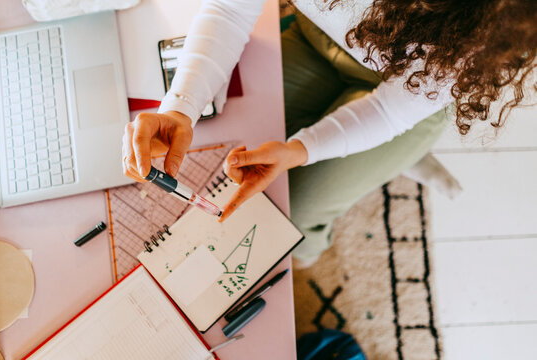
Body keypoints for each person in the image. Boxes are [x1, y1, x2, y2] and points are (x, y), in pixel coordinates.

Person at [122, 0, 536, 265]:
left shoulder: (497, 16)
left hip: (408, 97)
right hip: (319, 43)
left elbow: (390, 111)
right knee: (233, 137)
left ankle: (407, 151)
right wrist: (180, 107)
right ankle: (394, 154)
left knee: (294, 220)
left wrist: (301, 149)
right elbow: (231, 9)